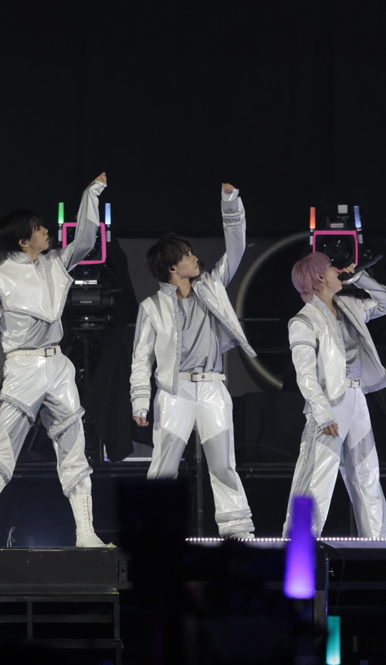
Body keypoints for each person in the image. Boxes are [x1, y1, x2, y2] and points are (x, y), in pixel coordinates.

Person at [0, 173, 109, 548]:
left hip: (57, 365)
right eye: (38, 228)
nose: (46, 231)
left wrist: (91, 195)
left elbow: (85, 240)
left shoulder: (54, 264)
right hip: (21, 367)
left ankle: (86, 532)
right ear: (22, 240)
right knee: (2, 450)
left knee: (75, 447)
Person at [129, 184, 256, 539]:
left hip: (212, 386)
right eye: (187, 255)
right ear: (172, 267)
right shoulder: (152, 307)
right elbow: (141, 359)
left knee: (223, 463)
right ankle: (154, 531)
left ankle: (237, 530)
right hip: (175, 390)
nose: (195, 257)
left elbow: (236, 248)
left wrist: (230, 204)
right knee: (165, 465)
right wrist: (140, 400)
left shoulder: (211, 286)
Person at [283, 253, 386, 538]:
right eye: (332, 268)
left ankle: (381, 545)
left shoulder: (349, 306)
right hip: (330, 403)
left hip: (356, 397)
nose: (338, 270)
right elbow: (305, 375)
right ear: (320, 277)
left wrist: (360, 278)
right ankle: (299, 543)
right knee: (317, 477)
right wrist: (322, 414)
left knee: (367, 473)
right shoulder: (303, 320)